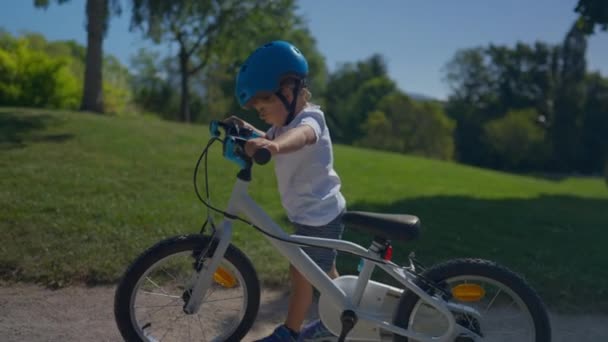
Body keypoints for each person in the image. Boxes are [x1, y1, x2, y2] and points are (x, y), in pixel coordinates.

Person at [226, 40, 345, 342]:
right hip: (309, 213)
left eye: (263, 105)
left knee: (302, 273)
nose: (260, 112)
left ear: (288, 91)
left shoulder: (310, 119)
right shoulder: (281, 125)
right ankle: (344, 317)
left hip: (320, 214)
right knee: (325, 273)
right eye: (255, 108)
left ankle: (291, 333)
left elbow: (301, 137)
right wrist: (242, 129)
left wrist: (274, 146)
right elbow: (267, 137)